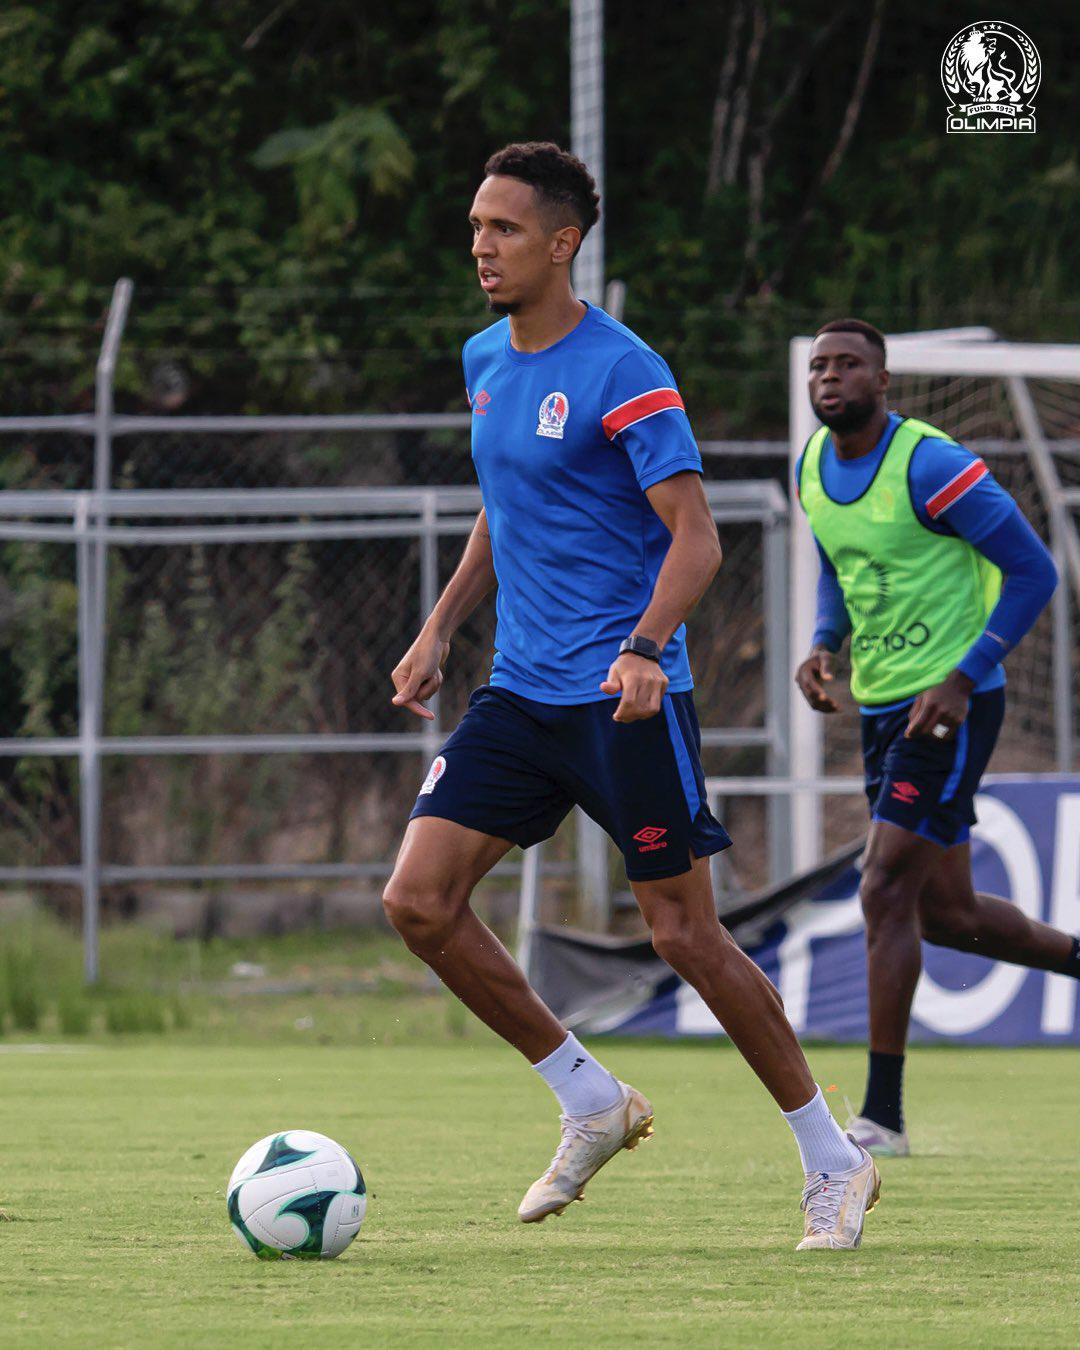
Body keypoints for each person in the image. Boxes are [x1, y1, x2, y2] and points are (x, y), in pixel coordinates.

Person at [384, 142, 880, 1251]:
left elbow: (697, 538)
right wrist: (440, 626)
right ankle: (589, 1099)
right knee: (418, 902)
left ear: (563, 243)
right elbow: (506, 502)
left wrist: (647, 646)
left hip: (626, 698)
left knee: (685, 936)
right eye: (476, 227)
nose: (481, 247)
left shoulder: (626, 369)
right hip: (520, 694)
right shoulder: (484, 358)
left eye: (505, 230)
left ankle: (833, 1159)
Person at [794, 318, 1079, 1157]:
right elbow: (837, 563)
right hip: (883, 706)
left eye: (849, 364)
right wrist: (824, 640)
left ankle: (881, 1118)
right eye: (819, 365)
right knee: (947, 915)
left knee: (884, 888)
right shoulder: (812, 467)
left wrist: (962, 676)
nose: (829, 376)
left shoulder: (931, 464)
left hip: (951, 704)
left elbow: (1034, 571)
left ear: (883, 381)